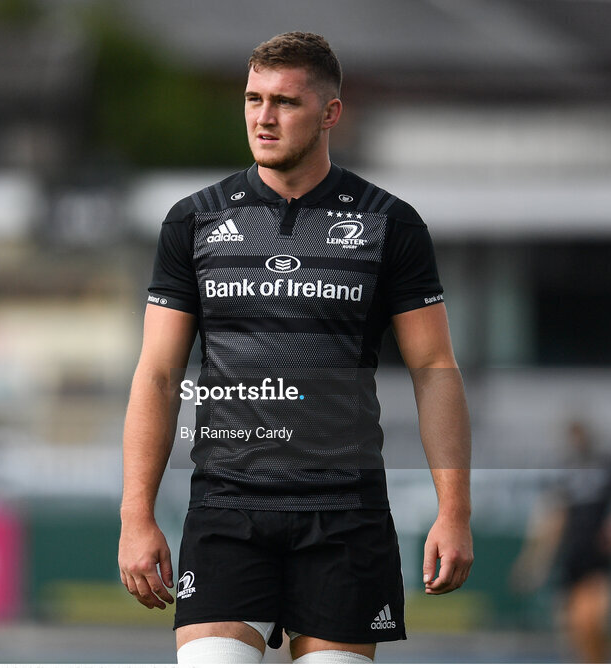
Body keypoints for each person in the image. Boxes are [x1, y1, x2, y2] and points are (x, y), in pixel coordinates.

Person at [118, 32, 473, 664]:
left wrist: (454, 511)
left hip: (344, 515)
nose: (263, 117)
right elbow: (157, 375)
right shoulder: (192, 221)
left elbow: (435, 370)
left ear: (330, 113)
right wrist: (135, 515)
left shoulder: (391, 223)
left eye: (285, 102)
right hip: (226, 509)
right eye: (253, 99)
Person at [510, 420, 611, 662]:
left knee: (596, 621)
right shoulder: (564, 473)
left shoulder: (607, 467)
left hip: (599, 555)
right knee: (575, 628)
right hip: (572, 556)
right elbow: (552, 519)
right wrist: (534, 562)